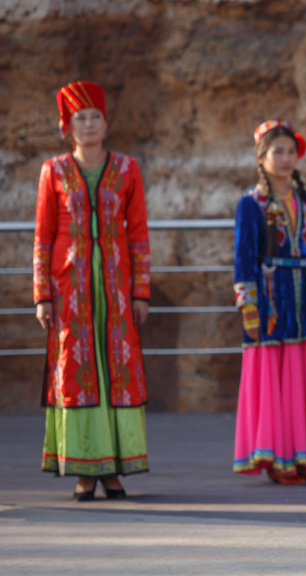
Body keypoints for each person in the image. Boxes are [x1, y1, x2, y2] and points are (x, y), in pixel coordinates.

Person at [33, 81, 151, 501]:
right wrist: (42, 295)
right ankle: (86, 468)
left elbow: (137, 233)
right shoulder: (55, 170)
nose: (88, 124)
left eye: (95, 116)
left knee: (115, 367)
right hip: (69, 286)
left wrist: (141, 291)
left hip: (116, 287)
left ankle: (114, 467)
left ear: (106, 122)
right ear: (68, 125)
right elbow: (43, 236)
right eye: (80, 118)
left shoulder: (127, 168)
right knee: (79, 369)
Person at [232, 119, 306, 484]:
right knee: (275, 378)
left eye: (289, 151)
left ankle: (301, 457)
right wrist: (249, 308)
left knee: (300, 377)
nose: (284, 158)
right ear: (261, 158)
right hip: (270, 302)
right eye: (276, 151)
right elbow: (243, 260)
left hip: (303, 297)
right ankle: (278, 459)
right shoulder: (251, 205)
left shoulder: (304, 200)